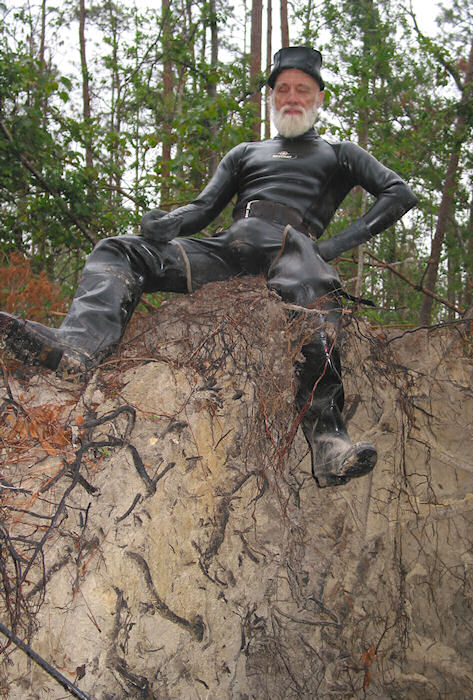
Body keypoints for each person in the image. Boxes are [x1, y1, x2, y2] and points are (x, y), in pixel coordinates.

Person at [0, 47, 417, 488]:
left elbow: (398, 193)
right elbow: (201, 209)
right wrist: (168, 222)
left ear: (319, 97)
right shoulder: (245, 152)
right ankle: (79, 348)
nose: (292, 97)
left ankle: (329, 438)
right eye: (283, 89)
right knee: (118, 250)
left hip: (292, 253)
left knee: (317, 303)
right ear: (271, 96)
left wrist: (329, 247)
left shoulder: (339, 153)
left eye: (303, 89)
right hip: (225, 250)